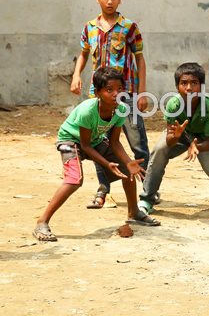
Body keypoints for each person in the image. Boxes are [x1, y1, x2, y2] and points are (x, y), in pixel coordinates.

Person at [33, 67, 160, 242]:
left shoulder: (121, 109)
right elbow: (84, 145)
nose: (116, 94)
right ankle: (42, 221)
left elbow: (114, 142)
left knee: (127, 169)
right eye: (109, 90)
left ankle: (134, 212)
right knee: (74, 180)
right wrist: (107, 164)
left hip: (94, 139)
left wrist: (128, 161)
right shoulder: (88, 110)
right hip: (71, 140)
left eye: (119, 89)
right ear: (97, 92)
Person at [70, 0, 151, 209]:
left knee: (137, 143)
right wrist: (77, 75)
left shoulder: (129, 27)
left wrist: (142, 92)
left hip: (127, 95)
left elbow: (140, 59)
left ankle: (147, 192)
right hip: (99, 97)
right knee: (98, 143)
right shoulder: (90, 27)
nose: (109, 1)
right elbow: (84, 53)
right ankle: (103, 189)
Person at [137, 62, 209, 217]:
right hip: (181, 134)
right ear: (177, 86)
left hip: (203, 139)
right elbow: (170, 141)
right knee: (159, 151)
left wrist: (195, 145)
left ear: (201, 87)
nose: (189, 88)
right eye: (184, 83)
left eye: (194, 83)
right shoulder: (173, 105)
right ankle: (147, 199)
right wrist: (176, 136)